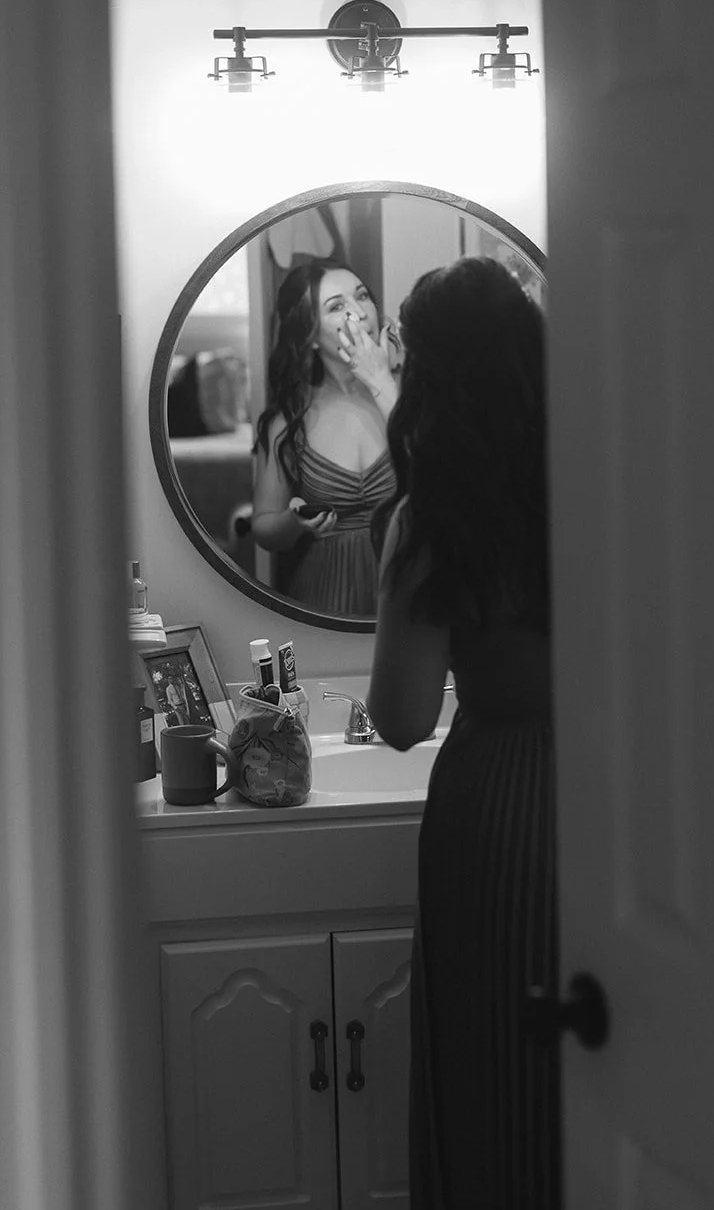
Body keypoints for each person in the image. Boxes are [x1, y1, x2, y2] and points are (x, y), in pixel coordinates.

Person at [367, 256, 558, 1210]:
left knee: (489, 1059)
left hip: (496, 811)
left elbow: (401, 718)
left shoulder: (433, 517)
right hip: (611, 793)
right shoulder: (600, 480)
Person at [251, 260, 400, 616]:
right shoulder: (289, 420)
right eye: (337, 306)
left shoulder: (414, 394)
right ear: (312, 335)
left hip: (407, 582)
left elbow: (442, 482)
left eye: (362, 296)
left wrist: (383, 381)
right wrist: (293, 523)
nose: (359, 312)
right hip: (328, 593)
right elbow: (264, 527)